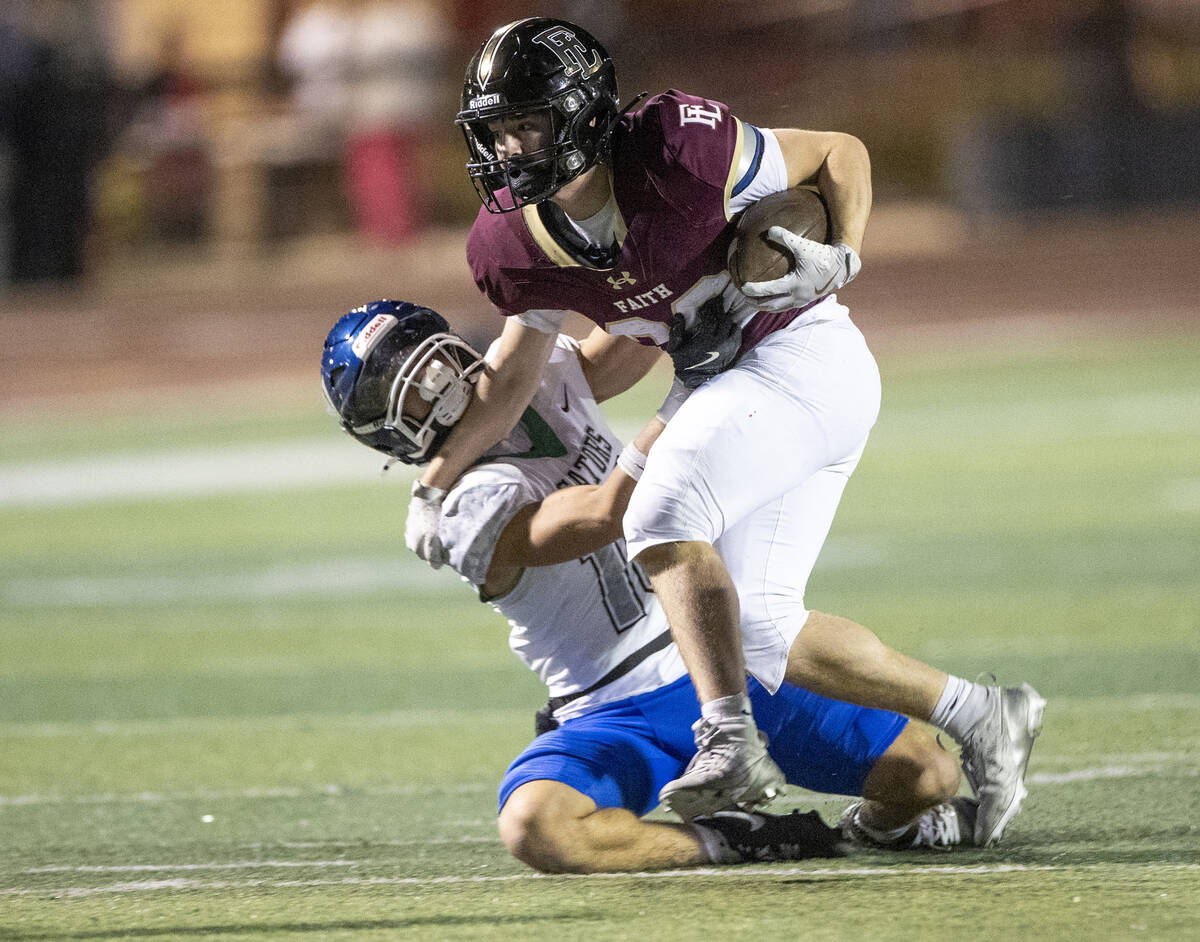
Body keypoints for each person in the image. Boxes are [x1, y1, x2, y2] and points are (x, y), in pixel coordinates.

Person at [406, 17, 1044, 846]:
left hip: (803, 358)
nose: (509, 145)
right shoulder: (509, 242)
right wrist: (435, 479)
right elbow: (518, 373)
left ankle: (729, 741)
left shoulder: (676, 147)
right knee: (758, 627)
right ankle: (988, 714)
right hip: (742, 384)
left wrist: (840, 256)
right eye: (495, 128)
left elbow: (838, 153)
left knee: (659, 517)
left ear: (583, 113)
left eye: (526, 121)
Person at [321, 299, 979, 872]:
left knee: (930, 775)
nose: (431, 381)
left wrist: (676, 300)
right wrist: (690, 387)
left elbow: (633, 344)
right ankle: (728, 843)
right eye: (400, 385)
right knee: (535, 825)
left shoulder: (533, 374)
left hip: (719, 661)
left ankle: (877, 829)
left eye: (421, 356)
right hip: (611, 708)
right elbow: (613, 512)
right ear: (384, 425)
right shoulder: (460, 511)